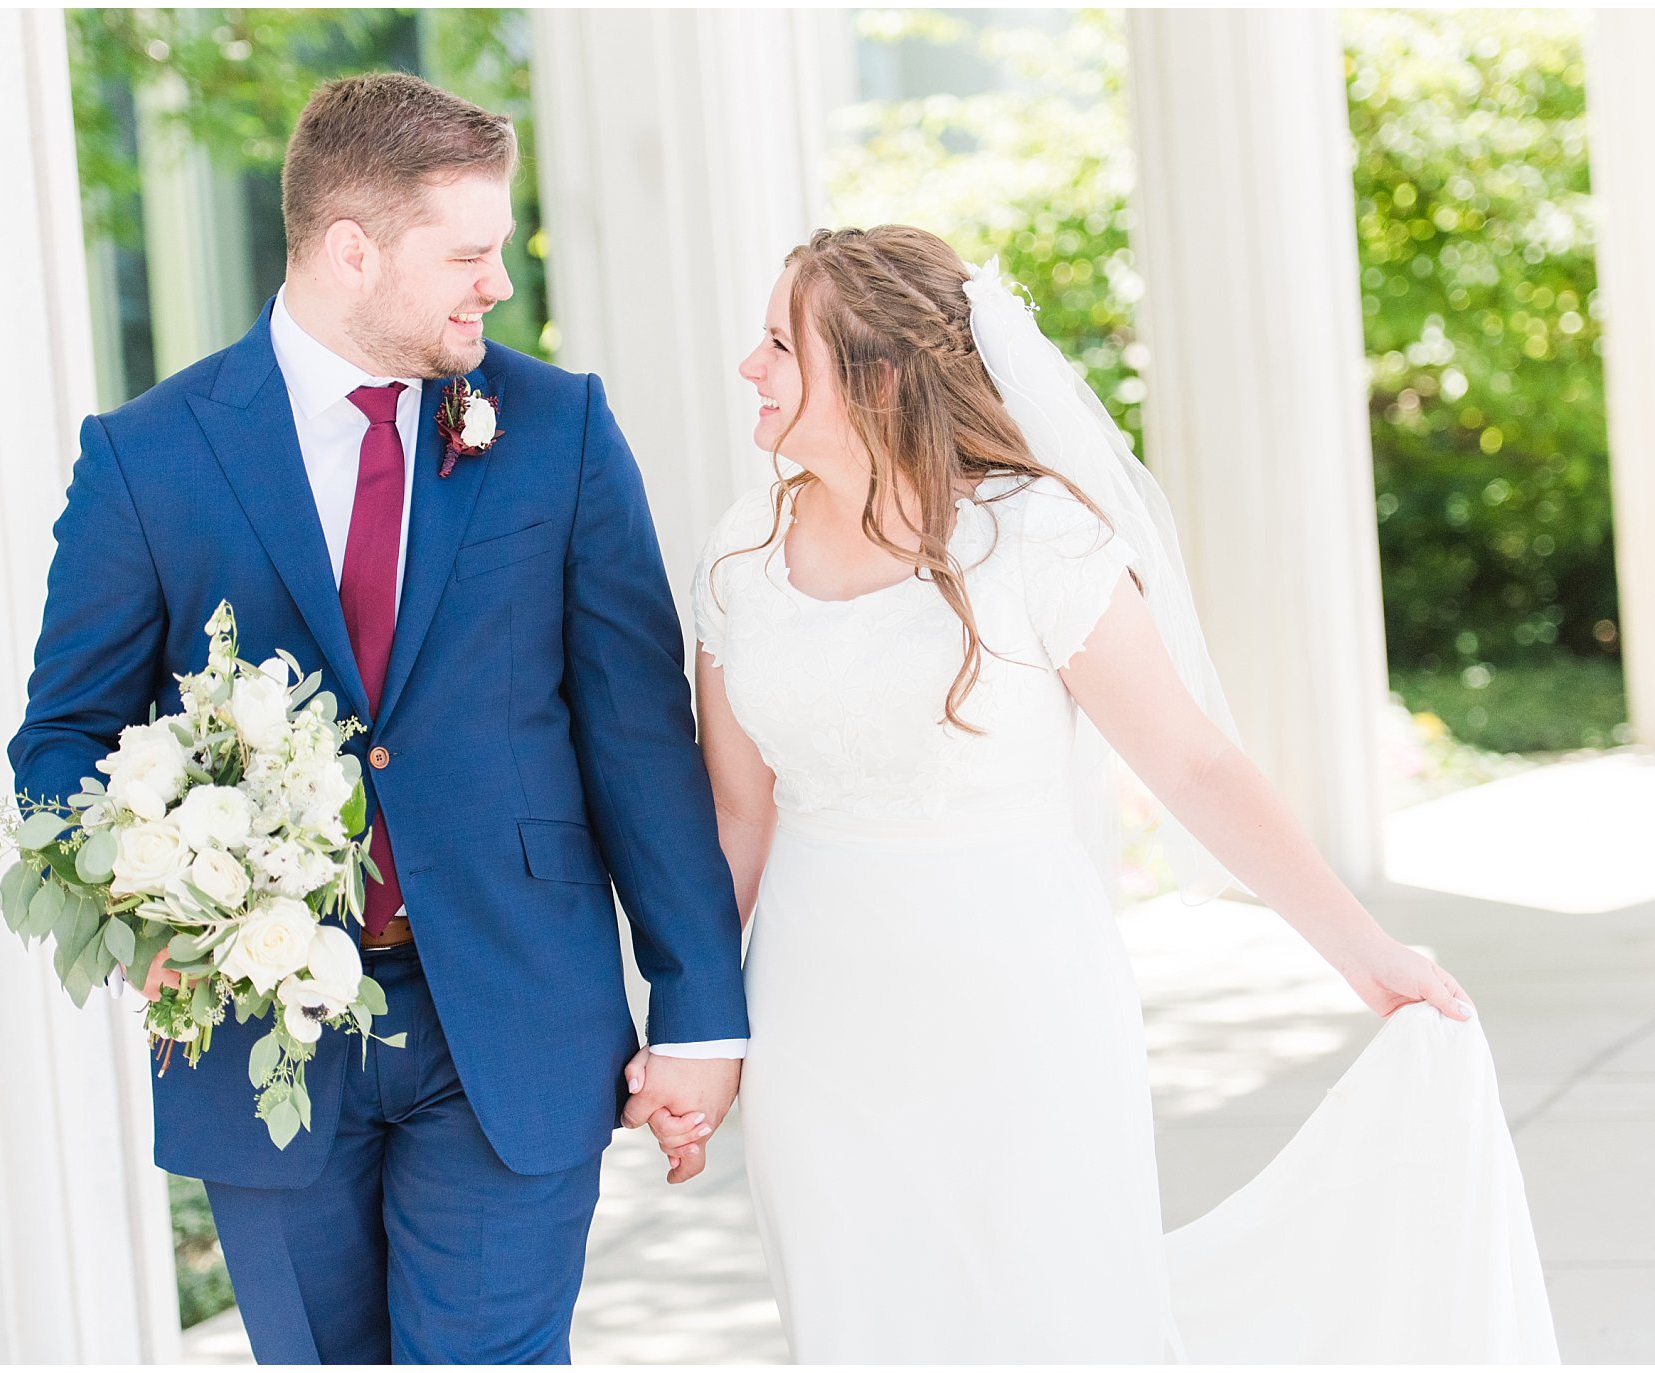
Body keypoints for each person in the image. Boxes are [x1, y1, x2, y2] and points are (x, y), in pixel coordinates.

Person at [648, 224, 1557, 1361]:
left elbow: (1190, 761)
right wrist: (693, 1027)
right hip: (816, 1022)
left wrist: (1364, 954)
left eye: (780, 344)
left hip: (1020, 1009)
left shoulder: (1036, 539)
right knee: (856, 1319)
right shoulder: (741, 553)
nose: (750, 366)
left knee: (1051, 1314)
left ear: (874, 376)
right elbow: (737, 813)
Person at [8, 73, 747, 1363]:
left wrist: (698, 1007)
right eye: (465, 254)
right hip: (262, 1044)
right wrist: (152, 925)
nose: (495, 287)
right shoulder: (149, 457)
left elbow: (637, 732)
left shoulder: (557, 430)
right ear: (351, 250)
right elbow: (62, 741)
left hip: (511, 1015)